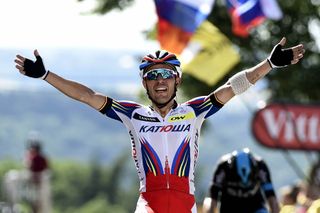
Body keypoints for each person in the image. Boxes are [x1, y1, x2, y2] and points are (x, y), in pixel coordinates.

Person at [14, 37, 304, 212]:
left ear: (177, 79)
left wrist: (269, 63)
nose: (160, 80)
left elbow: (234, 86)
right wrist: (46, 75)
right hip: (149, 203)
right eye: (152, 75)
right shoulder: (133, 114)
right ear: (144, 82)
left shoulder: (194, 111)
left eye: (166, 73)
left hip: (185, 203)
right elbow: (87, 96)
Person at [202, 148, 280, 213]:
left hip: (255, 205)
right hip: (229, 206)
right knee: (208, 202)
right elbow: (212, 198)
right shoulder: (223, 167)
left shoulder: (260, 166)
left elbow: (271, 196)